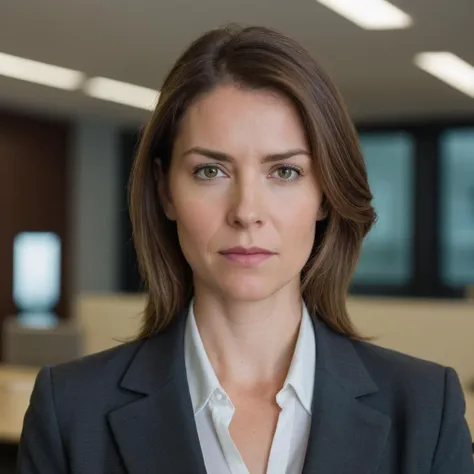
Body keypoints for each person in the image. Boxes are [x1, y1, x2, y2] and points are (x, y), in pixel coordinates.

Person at [18, 25, 473, 474]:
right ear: (165, 191)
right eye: (211, 171)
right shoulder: (71, 412)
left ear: (326, 194)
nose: (247, 212)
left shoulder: (426, 407)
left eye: (285, 172)